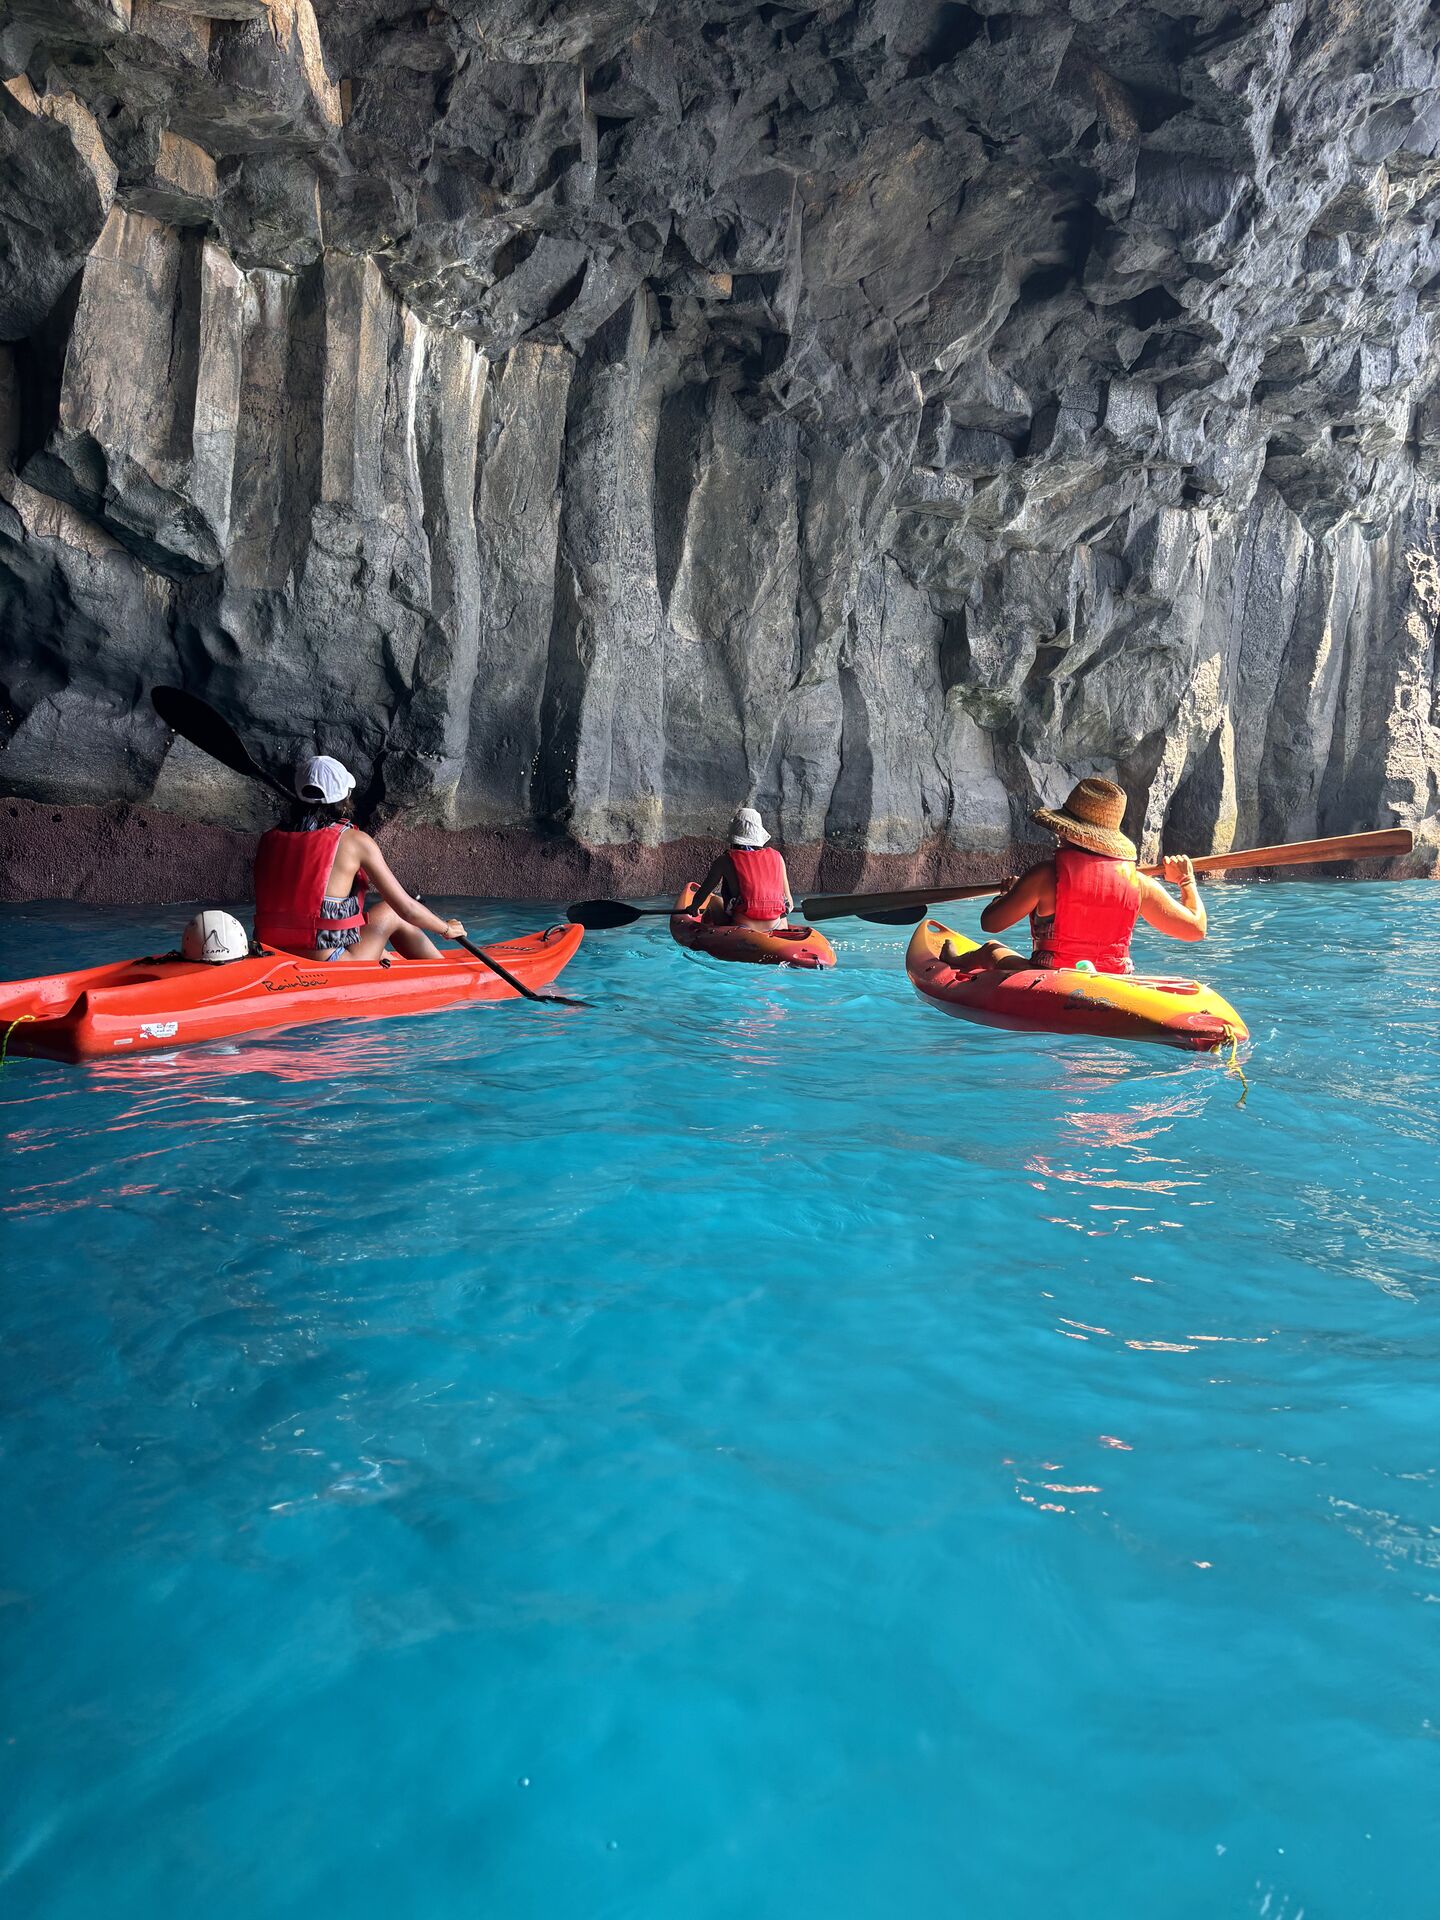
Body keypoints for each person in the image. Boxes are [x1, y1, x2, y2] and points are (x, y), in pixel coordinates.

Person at [940, 776, 1206, 976]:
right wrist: (1186, 881)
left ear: (1066, 830)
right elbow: (1195, 930)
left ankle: (956, 963)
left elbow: (991, 923)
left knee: (990, 949)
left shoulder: (1045, 876)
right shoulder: (1140, 885)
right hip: (1112, 981)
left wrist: (1007, 895)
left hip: (1049, 977)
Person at [253, 754, 466, 962]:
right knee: (392, 912)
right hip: (327, 960)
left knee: (383, 945)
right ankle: (450, 974)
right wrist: (447, 929)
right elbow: (407, 909)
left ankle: (395, 959)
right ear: (344, 798)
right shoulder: (355, 841)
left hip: (270, 953)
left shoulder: (269, 838)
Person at [690, 806, 795, 930]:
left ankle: (707, 933)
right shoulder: (777, 857)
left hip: (743, 926)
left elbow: (701, 896)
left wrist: (693, 908)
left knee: (713, 900)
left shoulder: (725, 860)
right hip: (776, 926)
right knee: (782, 912)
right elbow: (790, 904)